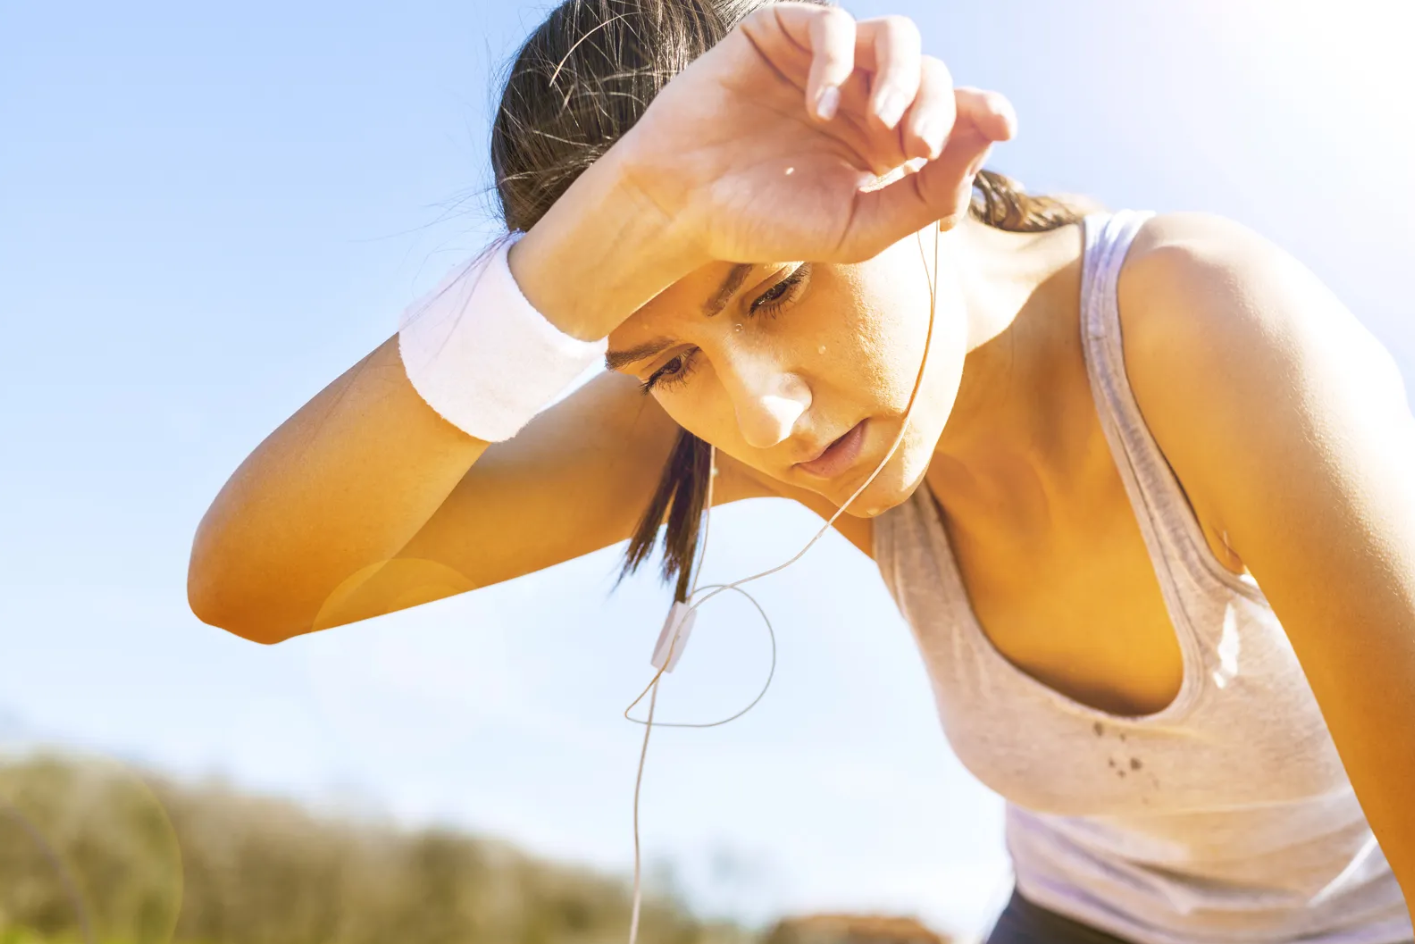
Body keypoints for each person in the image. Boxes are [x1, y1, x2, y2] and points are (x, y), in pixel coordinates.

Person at [186, 1, 1415, 941]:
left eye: (773, 290)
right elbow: (256, 584)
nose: (761, 416)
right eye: (668, 362)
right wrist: (555, 282)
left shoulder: (1211, 332)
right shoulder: (734, 422)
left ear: (894, 155)